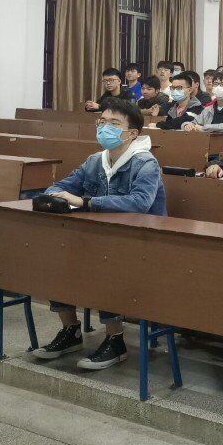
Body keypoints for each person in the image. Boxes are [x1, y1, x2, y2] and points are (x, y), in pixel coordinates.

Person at [32, 99, 165, 370]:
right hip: (101, 239)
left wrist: (86, 202)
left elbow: (140, 202)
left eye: (114, 124)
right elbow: (60, 186)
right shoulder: (95, 161)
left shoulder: (145, 163)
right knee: (57, 260)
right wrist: (56, 196)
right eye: (102, 122)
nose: (105, 128)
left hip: (143, 242)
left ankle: (115, 340)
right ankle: (71, 331)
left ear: (132, 133)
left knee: (105, 265)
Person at [182, 71, 223, 146]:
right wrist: (187, 125)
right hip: (207, 147)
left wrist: (204, 128)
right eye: (216, 84)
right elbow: (195, 122)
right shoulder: (208, 109)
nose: (218, 87)